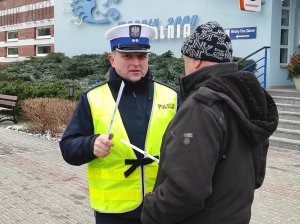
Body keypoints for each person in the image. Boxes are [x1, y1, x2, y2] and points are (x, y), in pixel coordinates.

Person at [141, 21, 279, 224]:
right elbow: (256, 177)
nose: (184, 65)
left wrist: (151, 211)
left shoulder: (202, 106)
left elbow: (185, 192)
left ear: (196, 60)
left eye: (184, 59)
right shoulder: (245, 99)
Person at [59, 23, 179, 224]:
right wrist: (91, 145)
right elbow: (67, 147)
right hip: (113, 213)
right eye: (127, 56)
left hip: (161, 206)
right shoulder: (93, 97)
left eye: (142, 56)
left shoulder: (171, 96)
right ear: (112, 60)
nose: (136, 63)